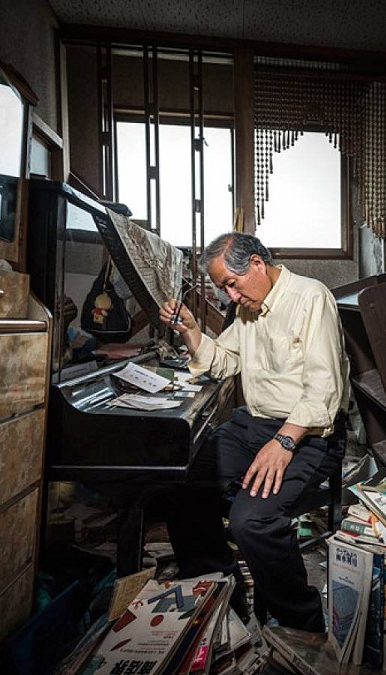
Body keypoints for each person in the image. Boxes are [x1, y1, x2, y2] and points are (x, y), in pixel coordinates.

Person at [158, 232, 350, 633]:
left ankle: (301, 623)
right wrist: (191, 331)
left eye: (232, 283)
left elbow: (324, 390)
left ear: (257, 264)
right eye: (223, 288)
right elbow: (224, 360)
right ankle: (221, 593)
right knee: (179, 481)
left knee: (251, 521)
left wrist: (284, 441)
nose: (231, 296)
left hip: (309, 433)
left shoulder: (310, 297)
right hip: (255, 424)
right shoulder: (247, 307)